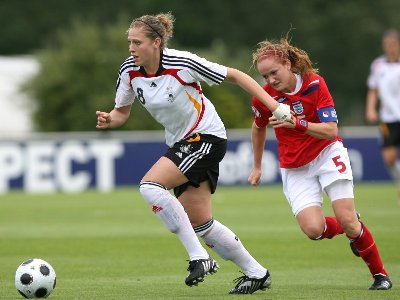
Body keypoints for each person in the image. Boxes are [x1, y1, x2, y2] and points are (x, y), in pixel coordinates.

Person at [95, 12, 292, 294]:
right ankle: (257, 273)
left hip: (207, 137)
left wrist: (274, 106)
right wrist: (109, 120)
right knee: (201, 223)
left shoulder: (182, 63)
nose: (131, 48)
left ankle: (199, 257)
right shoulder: (129, 71)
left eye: (137, 42)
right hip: (182, 143)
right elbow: (122, 112)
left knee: (150, 186)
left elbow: (235, 76)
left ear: (157, 42)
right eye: (130, 42)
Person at [248, 34, 392, 290]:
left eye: (273, 72)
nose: (270, 80)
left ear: (288, 64)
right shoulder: (264, 96)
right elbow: (258, 128)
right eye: (265, 76)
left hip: (326, 153)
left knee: (346, 218)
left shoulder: (315, 84)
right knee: (313, 230)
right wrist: (257, 165)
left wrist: (296, 122)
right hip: (294, 167)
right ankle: (354, 228)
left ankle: (380, 276)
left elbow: (331, 131)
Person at [365, 29, 400, 203]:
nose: (390, 48)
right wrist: (370, 109)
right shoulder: (378, 65)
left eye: (393, 44)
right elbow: (373, 89)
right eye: (387, 45)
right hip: (388, 118)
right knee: (389, 158)